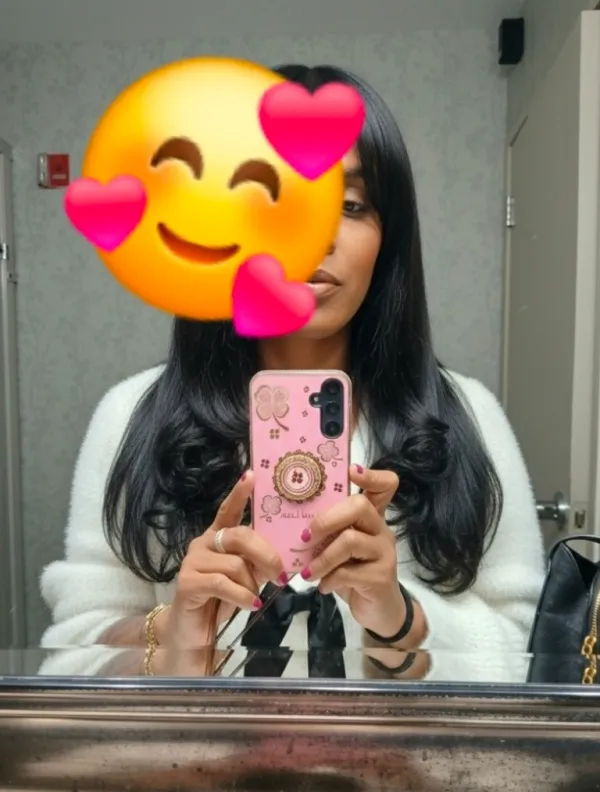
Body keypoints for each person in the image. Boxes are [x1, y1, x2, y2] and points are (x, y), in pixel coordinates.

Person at [39, 64, 545, 682]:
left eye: (350, 204)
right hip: (193, 749)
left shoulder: (468, 414)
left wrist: (401, 621)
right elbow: (72, 652)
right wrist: (173, 636)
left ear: (388, 237)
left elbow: (529, 651)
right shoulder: (131, 415)